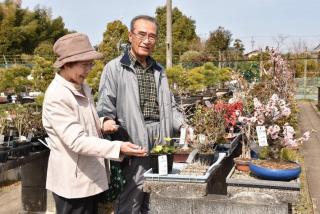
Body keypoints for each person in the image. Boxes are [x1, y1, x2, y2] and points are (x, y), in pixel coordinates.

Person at [42, 32, 147, 214]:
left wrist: (102, 122)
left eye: (91, 64)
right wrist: (118, 147)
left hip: (86, 177)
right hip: (72, 185)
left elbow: (81, 122)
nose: (89, 69)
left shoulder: (80, 87)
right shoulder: (57, 96)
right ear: (66, 64)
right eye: (84, 65)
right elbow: (76, 140)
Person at [97, 15, 185, 213]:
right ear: (130, 36)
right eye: (142, 34)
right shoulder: (115, 68)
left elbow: (169, 105)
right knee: (131, 198)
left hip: (160, 141)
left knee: (156, 199)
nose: (147, 41)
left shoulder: (159, 70)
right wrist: (106, 121)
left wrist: (183, 125)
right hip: (132, 139)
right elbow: (104, 105)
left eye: (152, 36)